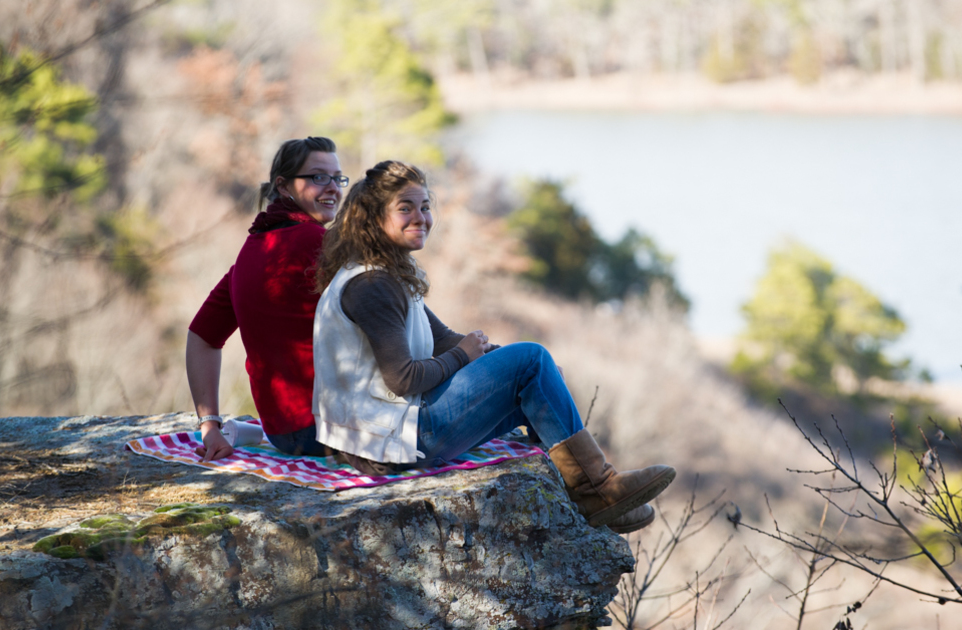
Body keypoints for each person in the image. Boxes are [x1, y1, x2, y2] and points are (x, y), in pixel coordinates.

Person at [311, 160, 675, 533]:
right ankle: (597, 487)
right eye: (405, 208)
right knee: (530, 358)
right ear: (372, 218)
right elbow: (403, 378)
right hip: (386, 445)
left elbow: (443, 339)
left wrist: (531, 370)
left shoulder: (384, 273)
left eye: (424, 207)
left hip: (386, 434)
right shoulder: (372, 286)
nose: (420, 217)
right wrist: (469, 356)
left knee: (533, 374)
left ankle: (589, 496)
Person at [187, 137, 347, 461]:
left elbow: (201, 336)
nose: (332, 188)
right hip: (337, 429)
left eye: (338, 178)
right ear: (284, 186)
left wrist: (210, 426)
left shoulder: (250, 252)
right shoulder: (322, 243)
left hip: (283, 436)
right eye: (318, 177)